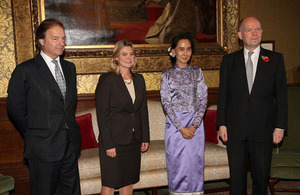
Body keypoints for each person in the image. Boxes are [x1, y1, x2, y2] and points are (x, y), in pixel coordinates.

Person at [7, 19, 81, 195]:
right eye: (55, 39)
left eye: (63, 38)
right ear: (41, 41)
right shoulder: (25, 70)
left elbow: (67, 107)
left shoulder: (69, 68)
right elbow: (15, 110)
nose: (62, 43)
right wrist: (35, 133)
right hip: (42, 148)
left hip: (70, 146)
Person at [217, 16, 288, 195]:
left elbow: (281, 96)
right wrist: (222, 124)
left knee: (261, 177)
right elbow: (223, 95)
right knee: (237, 179)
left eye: (257, 29)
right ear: (240, 35)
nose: (254, 33)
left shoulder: (275, 59)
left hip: (263, 129)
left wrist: (280, 126)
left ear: (262, 32)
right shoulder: (229, 61)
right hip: (235, 129)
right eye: (249, 30)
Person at [95, 40, 150, 195]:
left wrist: (145, 137)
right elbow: (103, 115)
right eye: (124, 54)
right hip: (114, 141)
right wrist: (108, 144)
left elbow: (142, 111)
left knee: (128, 181)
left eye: (131, 54)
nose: (129, 57)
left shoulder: (139, 79)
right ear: (116, 58)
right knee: (110, 184)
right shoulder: (107, 80)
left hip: (133, 140)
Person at [160, 33, 208, 194]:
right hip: (175, 128)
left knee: (195, 164)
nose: (185, 53)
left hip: (196, 126)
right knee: (177, 165)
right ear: (173, 51)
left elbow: (203, 100)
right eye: (181, 49)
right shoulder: (166, 75)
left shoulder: (197, 72)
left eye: (188, 49)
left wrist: (194, 126)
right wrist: (181, 128)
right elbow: (166, 103)